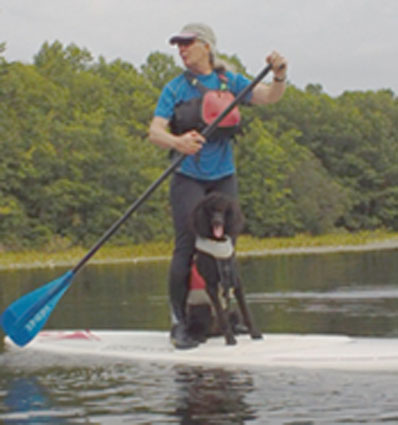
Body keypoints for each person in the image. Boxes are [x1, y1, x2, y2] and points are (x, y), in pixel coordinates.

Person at [149, 23, 287, 349]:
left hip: (223, 175)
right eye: (178, 45)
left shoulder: (231, 82)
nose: (181, 50)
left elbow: (269, 96)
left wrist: (280, 74)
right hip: (188, 176)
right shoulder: (175, 89)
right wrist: (177, 141)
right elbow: (155, 132)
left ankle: (223, 318)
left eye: (188, 44)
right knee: (186, 245)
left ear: (207, 46)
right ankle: (180, 323)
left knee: (226, 249)